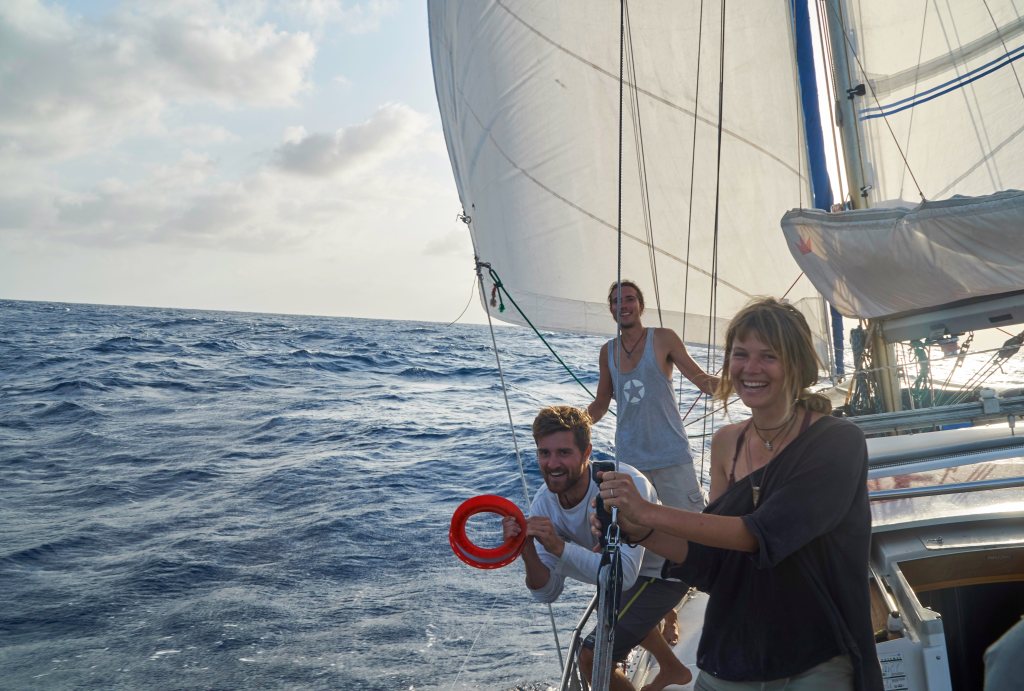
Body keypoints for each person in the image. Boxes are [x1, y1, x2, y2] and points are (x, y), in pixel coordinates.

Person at [594, 297, 885, 690]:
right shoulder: (725, 443)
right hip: (731, 654)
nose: (751, 368)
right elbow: (714, 560)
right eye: (740, 354)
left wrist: (647, 511)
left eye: (769, 356)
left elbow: (759, 534)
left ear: (797, 364)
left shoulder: (838, 441)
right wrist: (638, 531)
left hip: (815, 657)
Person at [503, 405, 692, 691]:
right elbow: (547, 593)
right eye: (544, 453)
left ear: (587, 453)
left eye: (563, 452)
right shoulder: (544, 502)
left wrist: (559, 547)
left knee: (591, 658)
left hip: (667, 572)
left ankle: (668, 657)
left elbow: (624, 576)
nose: (552, 463)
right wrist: (526, 548)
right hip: (626, 576)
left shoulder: (622, 484)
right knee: (618, 605)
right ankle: (672, 668)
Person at [588, 279, 719, 644]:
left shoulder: (663, 339)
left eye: (629, 299)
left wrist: (742, 382)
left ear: (640, 305)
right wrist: (573, 422)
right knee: (641, 545)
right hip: (631, 460)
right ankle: (666, 614)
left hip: (671, 454)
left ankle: (716, 593)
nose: (623, 305)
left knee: (694, 529)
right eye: (616, 301)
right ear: (611, 309)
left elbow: (702, 381)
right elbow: (601, 403)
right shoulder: (607, 351)